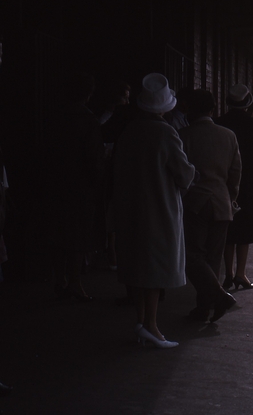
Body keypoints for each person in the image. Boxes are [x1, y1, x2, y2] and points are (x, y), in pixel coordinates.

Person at [109, 73, 195, 348]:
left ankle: (141, 323)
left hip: (130, 207)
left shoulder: (129, 131)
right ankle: (153, 327)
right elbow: (183, 174)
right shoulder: (166, 132)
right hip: (160, 209)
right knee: (156, 270)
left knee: (138, 268)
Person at [179, 90, 241, 323]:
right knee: (213, 260)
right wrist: (230, 198)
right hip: (222, 203)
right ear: (213, 110)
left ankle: (217, 298)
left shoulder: (182, 136)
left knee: (191, 256)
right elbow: (235, 174)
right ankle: (205, 307)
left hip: (195, 203)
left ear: (190, 109)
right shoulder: (229, 136)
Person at [43, 72, 105, 301]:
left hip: (56, 183)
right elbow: (93, 159)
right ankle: (76, 283)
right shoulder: (89, 121)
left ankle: (60, 279)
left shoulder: (55, 117)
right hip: (81, 187)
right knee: (78, 237)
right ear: (89, 93)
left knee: (58, 233)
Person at [216, 84, 253, 290]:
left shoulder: (219, 123)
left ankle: (228, 273)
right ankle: (241, 273)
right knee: (245, 230)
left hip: (223, 182)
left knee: (228, 229)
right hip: (249, 183)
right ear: (248, 103)